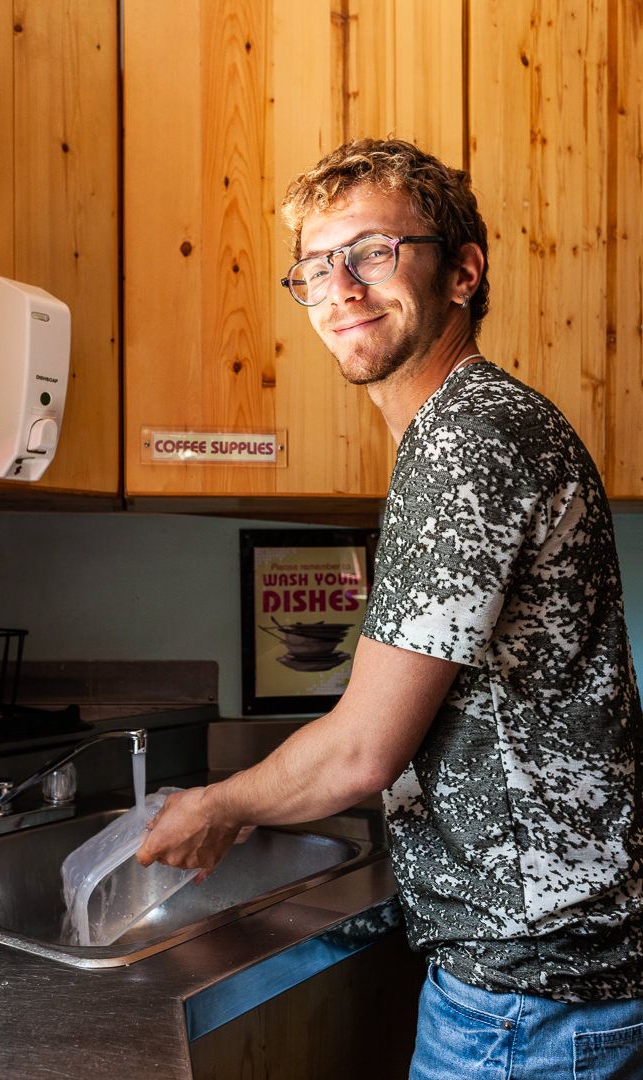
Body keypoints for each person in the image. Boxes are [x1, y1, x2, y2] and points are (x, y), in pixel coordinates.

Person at [138, 138, 643, 1077]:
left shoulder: (467, 439)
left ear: (462, 271)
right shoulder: (477, 424)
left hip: (525, 1000)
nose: (340, 288)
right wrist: (253, 802)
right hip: (548, 980)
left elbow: (364, 749)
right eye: (316, 267)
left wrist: (220, 804)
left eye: (372, 251)